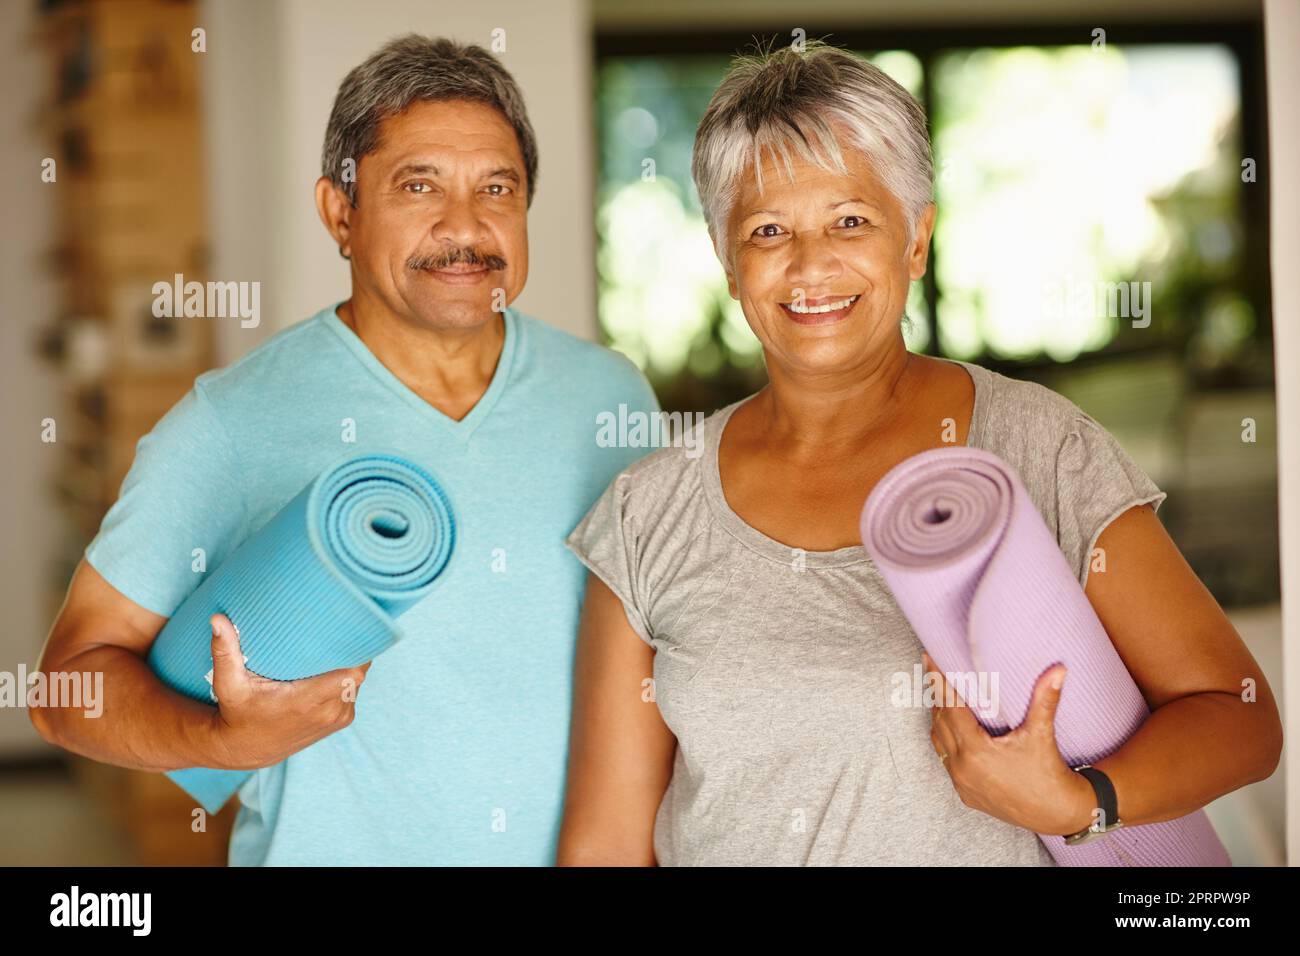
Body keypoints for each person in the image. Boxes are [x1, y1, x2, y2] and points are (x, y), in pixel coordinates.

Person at [556, 41, 1282, 866]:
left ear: (916, 239)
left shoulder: (1032, 448)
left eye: (851, 220)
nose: (811, 264)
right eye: (767, 229)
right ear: (728, 260)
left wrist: (1084, 801)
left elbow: (1241, 716)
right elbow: (608, 845)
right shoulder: (649, 509)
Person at [31, 34, 658, 865]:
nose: (465, 228)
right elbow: (67, 687)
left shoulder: (611, 399)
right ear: (340, 212)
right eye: (419, 185)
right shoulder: (233, 422)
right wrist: (223, 741)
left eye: (497, 189)